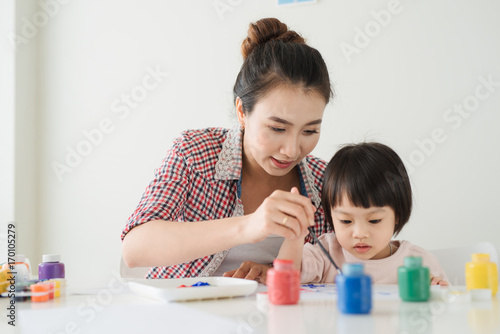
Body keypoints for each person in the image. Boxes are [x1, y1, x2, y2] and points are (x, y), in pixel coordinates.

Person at [121, 17, 334, 283]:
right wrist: (248, 226)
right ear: (242, 112)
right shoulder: (194, 152)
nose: (291, 150)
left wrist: (279, 274)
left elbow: (348, 265)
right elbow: (135, 249)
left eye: (310, 131)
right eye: (277, 129)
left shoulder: (324, 180)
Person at [277, 142, 449, 285]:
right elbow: (286, 277)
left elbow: (446, 312)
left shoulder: (419, 263)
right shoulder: (325, 254)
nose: (360, 234)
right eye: (345, 221)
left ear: (397, 215)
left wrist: (438, 293)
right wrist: (295, 235)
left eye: (374, 220)